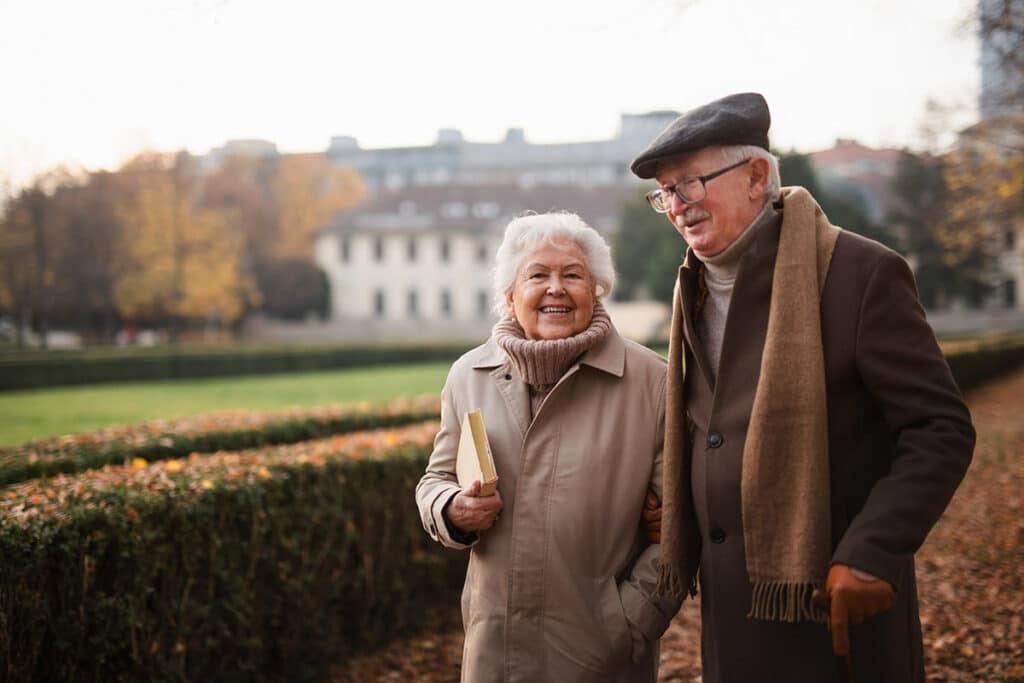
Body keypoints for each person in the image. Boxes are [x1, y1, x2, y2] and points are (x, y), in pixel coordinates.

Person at [630, 92, 975, 682]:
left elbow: (940, 430)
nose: (676, 206)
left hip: (833, 612)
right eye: (664, 193)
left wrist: (874, 551)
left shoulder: (862, 274)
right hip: (732, 616)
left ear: (757, 175)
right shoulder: (690, 287)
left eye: (689, 184)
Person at [415, 212, 681, 682]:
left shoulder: (653, 383)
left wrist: (627, 622)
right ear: (510, 295)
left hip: (603, 658)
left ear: (596, 289)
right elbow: (434, 480)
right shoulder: (467, 375)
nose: (555, 288)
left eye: (573, 275)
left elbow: (682, 525)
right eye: (537, 274)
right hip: (493, 652)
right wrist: (452, 508)